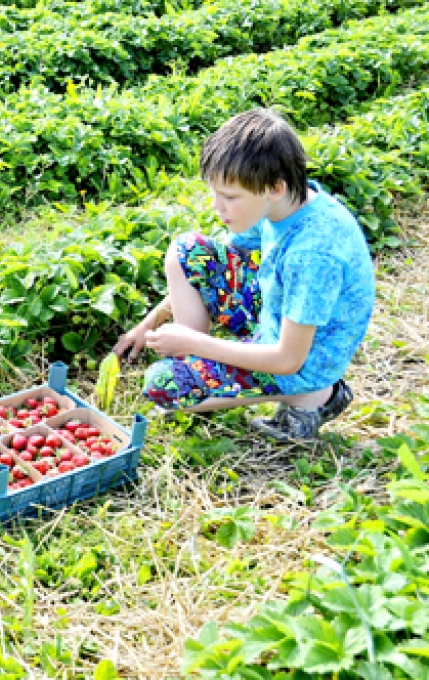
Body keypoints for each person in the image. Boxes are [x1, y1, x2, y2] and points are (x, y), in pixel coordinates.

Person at [113, 108, 375, 441]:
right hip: (279, 316)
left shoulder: (312, 253)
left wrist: (196, 343)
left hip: (304, 360)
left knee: (161, 385)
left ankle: (314, 398)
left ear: (274, 187)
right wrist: (149, 323)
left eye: (230, 197)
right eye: (215, 193)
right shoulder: (286, 203)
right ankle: (200, 376)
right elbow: (210, 262)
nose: (216, 207)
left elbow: (288, 358)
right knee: (187, 250)